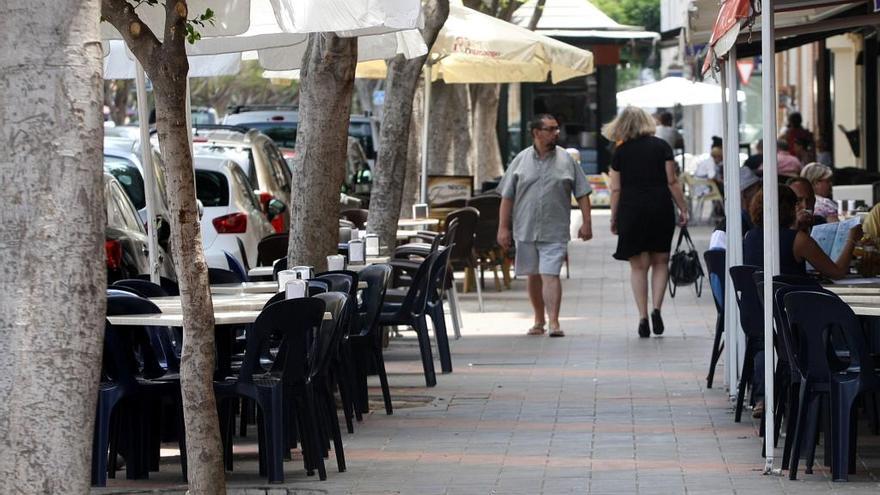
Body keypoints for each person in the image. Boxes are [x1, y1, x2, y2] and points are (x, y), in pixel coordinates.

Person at [497, 113, 593, 338]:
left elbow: (582, 193)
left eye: (556, 128)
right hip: (526, 227)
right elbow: (507, 196)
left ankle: (554, 322)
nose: (555, 133)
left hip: (555, 228)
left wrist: (587, 222)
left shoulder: (567, 160)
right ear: (536, 133)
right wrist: (503, 227)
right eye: (550, 129)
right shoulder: (520, 160)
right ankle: (538, 320)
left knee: (550, 274)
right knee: (533, 274)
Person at [605, 106, 688, 338]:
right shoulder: (662, 147)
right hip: (660, 207)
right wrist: (683, 208)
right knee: (661, 261)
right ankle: (656, 309)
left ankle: (642, 316)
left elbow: (616, 189)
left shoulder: (620, 153)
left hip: (631, 210)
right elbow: (672, 181)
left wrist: (614, 217)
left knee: (638, 266)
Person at [743, 185, 859, 279]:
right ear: (790, 208)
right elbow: (837, 273)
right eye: (796, 203)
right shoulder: (798, 240)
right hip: (794, 303)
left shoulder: (749, 236)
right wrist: (852, 239)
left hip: (762, 303)